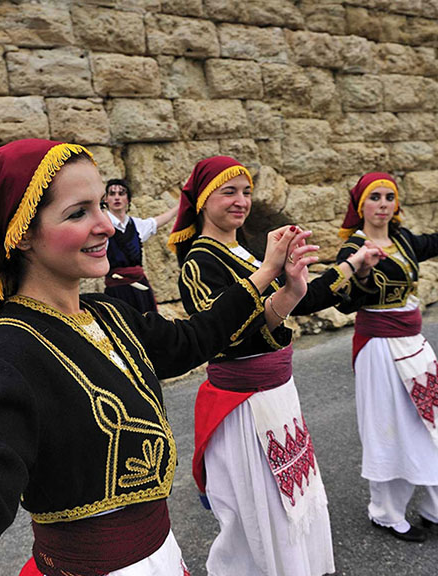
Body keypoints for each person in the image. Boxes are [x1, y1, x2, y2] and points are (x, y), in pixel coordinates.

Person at [0, 139, 312, 576]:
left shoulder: (111, 314)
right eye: (79, 212)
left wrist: (273, 277)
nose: (108, 225)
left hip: (164, 556)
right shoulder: (11, 349)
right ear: (21, 234)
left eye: (102, 205)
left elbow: (194, 338)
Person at [168, 156, 385, 576]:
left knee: (293, 500)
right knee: (260, 512)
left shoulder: (244, 251)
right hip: (242, 403)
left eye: (246, 191)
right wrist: (273, 273)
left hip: (277, 394)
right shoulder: (200, 262)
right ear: (202, 201)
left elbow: (297, 301)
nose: (240, 201)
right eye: (228, 191)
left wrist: (311, 278)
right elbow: (225, 334)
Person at [337, 171, 438, 542]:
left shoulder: (404, 240)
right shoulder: (352, 250)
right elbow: (346, 301)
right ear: (360, 205)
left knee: (431, 422)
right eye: (374, 198)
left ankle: (433, 507)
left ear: (397, 204)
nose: (382, 205)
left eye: (388, 198)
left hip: (414, 344)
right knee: (388, 428)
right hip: (378, 349)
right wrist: (362, 273)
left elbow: (434, 241)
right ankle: (385, 512)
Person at [104, 178, 178, 313]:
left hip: (141, 287)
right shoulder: (102, 226)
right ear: (106, 199)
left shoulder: (136, 225)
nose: (117, 197)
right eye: (112, 194)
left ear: (128, 199)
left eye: (121, 193)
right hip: (117, 290)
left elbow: (157, 221)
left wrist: (180, 207)